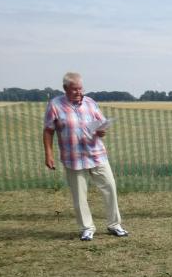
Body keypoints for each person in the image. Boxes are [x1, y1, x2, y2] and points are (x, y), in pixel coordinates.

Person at [43, 72, 129, 241]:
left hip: (96, 154)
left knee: (110, 187)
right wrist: (49, 154)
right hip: (73, 158)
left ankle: (114, 225)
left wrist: (102, 130)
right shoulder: (55, 105)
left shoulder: (90, 103)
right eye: (74, 89)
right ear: (65, 88)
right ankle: (87, 228)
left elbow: (101, 124)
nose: (79, 92)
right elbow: (48, 130)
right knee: (79, 195)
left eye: (80, 88)